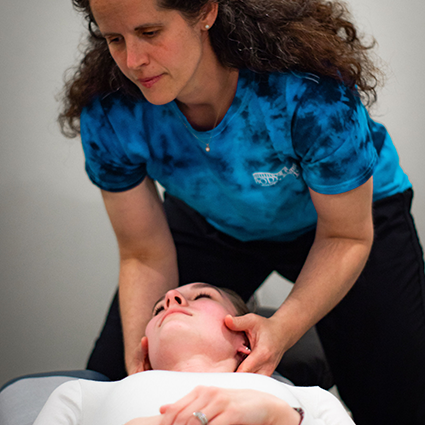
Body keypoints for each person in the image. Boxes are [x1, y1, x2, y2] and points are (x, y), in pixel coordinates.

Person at [59, 0, 425, 423]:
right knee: (108, 378)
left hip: (346, 226)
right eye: (115, 40)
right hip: (213, 220)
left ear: (206, 12)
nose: (134, 61)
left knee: (394, 401)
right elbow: (143, 252)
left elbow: (347, 235)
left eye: (150, 32)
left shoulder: (309, 94)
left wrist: (282, 331)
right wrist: (139, 370)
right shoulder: (111, 111)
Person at [33, 283, 354, 425]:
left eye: (201, 296)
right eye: (159, 307)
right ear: (145, 351)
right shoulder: (82, 394)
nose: (171, 297)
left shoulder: (309, 401)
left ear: (247, 340)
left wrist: (282, 418)